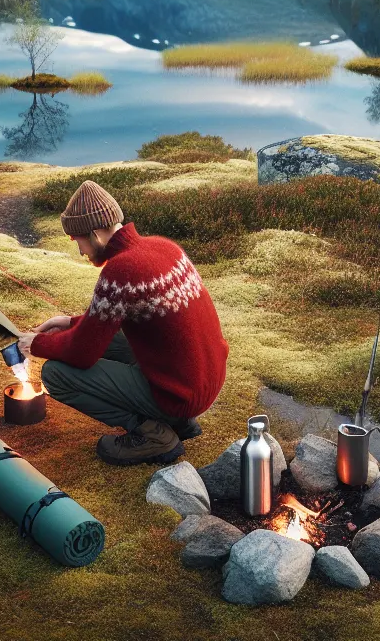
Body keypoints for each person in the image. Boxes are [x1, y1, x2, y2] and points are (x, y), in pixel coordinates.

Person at [18, 180, 228, 465]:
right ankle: (180, 423)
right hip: (204, 381)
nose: (79, 250)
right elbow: (109, 322)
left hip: (180, 395)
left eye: (76, 240)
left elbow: (83, 352)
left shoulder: (122, 269)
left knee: (56, 374)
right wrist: (67, 322)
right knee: (118, 338)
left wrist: (38, 344)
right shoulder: (163, 247)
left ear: (94, 234)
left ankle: (153, 433)